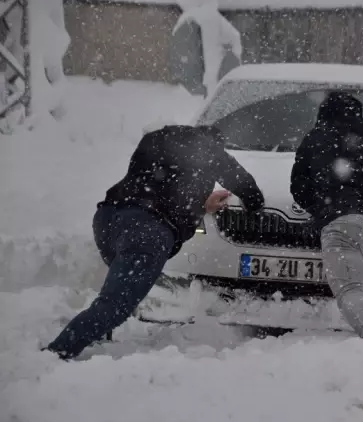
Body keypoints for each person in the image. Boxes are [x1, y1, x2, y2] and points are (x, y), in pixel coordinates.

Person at [44, 124, 264, 360]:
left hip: (108, 218)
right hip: (147, 232)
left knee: (115, 293)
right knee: (116, 304)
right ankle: (56, 353)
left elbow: (160, 186)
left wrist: (199, 203)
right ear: (215, 142)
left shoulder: (156, 139)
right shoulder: (209, 150)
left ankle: (97, 339)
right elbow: (245, 186)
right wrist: (256, 207)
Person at [290, 91, 363, 346]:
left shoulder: (316, 137)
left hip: (344, 228)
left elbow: (299, 187)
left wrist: (323, 212)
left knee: (350, 291)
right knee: (360, 291)